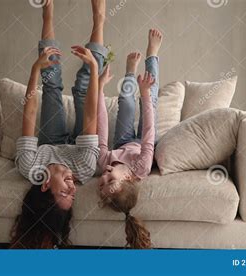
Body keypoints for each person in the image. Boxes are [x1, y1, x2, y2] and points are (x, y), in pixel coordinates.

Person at [10, 0, 108, 249]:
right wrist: (95, 67)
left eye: (64, 191)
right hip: (76, 148)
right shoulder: (84, 168)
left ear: (44, 185)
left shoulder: (29, 166)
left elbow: (30, 112)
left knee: (51, 85)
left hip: (51, 144)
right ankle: (99, 18)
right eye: (73, 193)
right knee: (84, 85)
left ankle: (47, 14)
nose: (72, 186)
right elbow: (89, 116)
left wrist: (34, 70)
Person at [97, 29, 163, 249]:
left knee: (125, 103)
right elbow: (148, 132)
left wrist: (99, 91)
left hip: (123, 142)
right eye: (111, 181)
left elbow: (102, 129)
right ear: (129, 180)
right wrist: (144, 94)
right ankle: (152, 54)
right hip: (146, 140)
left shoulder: (105, 162)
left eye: (102, 184)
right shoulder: (141, 168)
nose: (104, 176)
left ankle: (129, 72)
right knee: (150, 94)